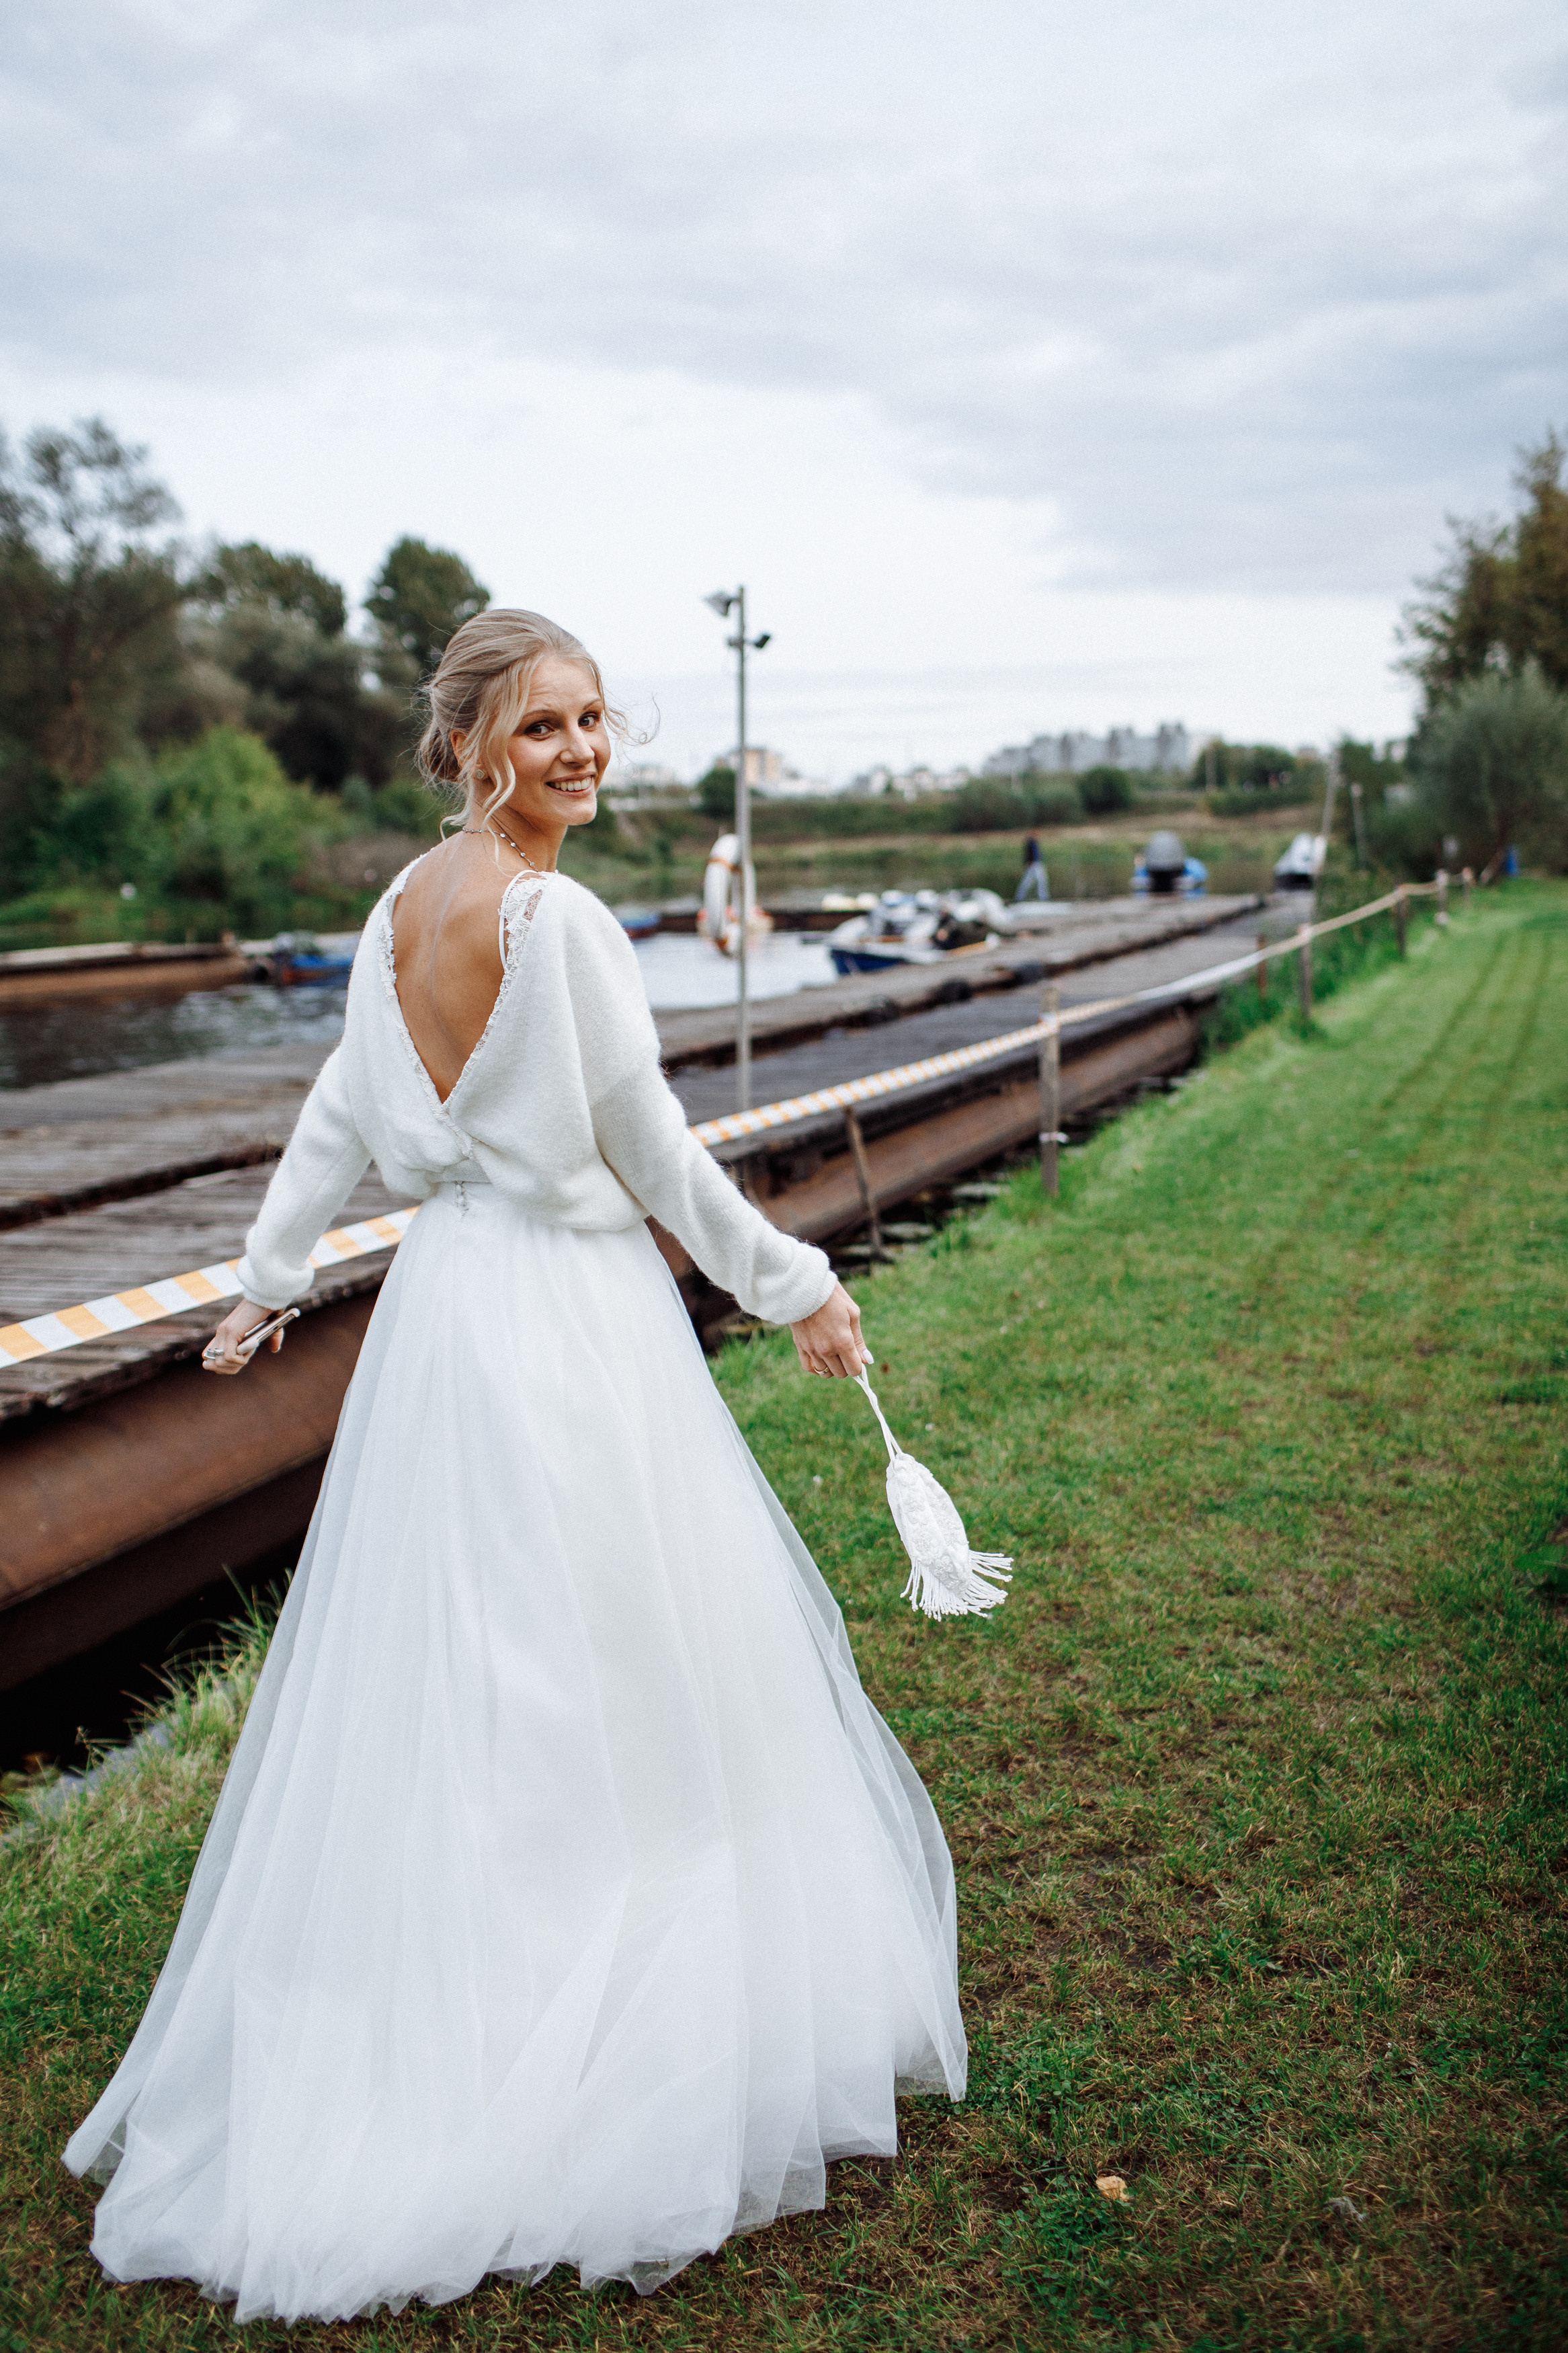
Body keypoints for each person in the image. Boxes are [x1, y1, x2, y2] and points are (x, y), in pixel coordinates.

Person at [63, 610, 965, 2324]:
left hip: (439, 1321)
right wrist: (800, 1286)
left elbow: (337, 1120)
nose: (582, 752)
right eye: (544, 725)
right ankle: (589, 2010)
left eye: (597, 720)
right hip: (564, 1321)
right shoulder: (557, 923)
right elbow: (647, 1151)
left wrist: (272, 1282)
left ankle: (474, 1972)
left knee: (473, 1660)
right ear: (473, 742)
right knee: (610, 1653)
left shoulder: (397, 909)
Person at [1015, 833, 1048, 902]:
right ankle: (1043, 899)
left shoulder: (1032, 843)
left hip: (1035, 865)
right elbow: (1034, 855)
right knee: (1039, 883)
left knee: (1030, 883)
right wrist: (1031, 863)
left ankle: (1019, 898)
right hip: (1035, 865)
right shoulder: (1032, 843)